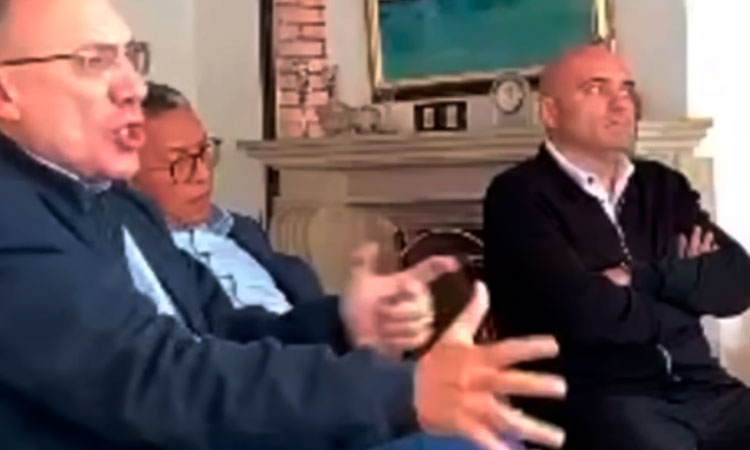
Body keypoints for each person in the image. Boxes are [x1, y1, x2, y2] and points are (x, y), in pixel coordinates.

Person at [0, 1, 567, 449]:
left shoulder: (122, 207)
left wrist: (344, 321)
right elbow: (156, 380)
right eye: (93, 61)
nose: (134, 87)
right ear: (6, 93)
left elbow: (223, 329)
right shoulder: (12, 214)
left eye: (131, 56)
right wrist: (399, 392)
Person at [484, 43, 750, 450]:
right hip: (597, 396)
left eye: (626, 89)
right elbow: (582, 314)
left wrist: (637, 279)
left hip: (700, 386)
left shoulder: (662, 185)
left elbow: (737, 283)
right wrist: (683, 293)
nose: (621, 103)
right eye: (596, 89)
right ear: (550, 112)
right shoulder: (518, 195)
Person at [132, 81, 321, 314]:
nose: (203, 174)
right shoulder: (125, 261)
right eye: (179, 162)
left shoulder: (243, 231)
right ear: (126, 172)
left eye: (204, 151)